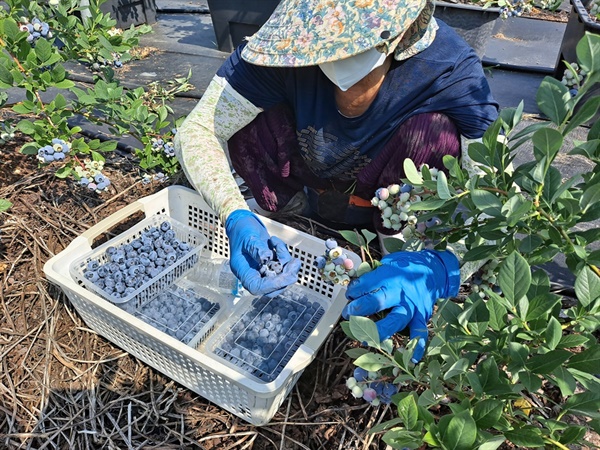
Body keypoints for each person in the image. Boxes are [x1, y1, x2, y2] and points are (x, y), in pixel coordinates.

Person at [175, 0, 499, 362]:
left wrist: (445, 264)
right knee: (245, 117)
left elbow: (497, 193)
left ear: (399, 38)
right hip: (303, 177)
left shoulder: (448, 70)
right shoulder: (288, 51)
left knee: (433, 134)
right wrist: (234, 215)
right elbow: (199, 129)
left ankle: (397, 262)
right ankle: (289, 216)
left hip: (385, 196)